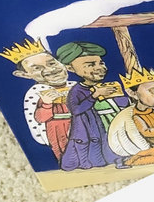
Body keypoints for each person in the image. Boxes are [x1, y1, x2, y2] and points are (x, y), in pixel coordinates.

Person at [54, 42, 128, 170]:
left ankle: (115, 160)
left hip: (104, 125)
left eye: (101, 63)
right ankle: (85, 163)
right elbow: (76, 110)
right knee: (87, 147)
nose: (100, 68)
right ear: (71, 68)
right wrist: (95, 95)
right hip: (85, 127)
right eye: (90, 65)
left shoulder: (105, 87)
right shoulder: (77, 90)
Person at [0, 38, 72, 160]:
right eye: (37, 68)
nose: (50, 69)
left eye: (52, 63)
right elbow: (38, 119)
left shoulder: (76, 86)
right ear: (25, 75)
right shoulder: (36, 93)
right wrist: (47, 104)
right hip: (59, 130)